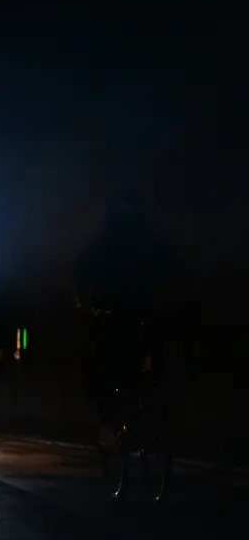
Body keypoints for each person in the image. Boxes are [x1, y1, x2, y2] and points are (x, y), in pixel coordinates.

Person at [73, 189, 176, 449]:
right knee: (139, 362)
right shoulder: (149, 243)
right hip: (139, 315)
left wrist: (83, 303)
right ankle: (132, 420)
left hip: (120, 317)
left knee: (101, 368)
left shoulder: (104, 245)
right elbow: (174, 273)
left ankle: (111, 425)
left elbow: (81, 274)